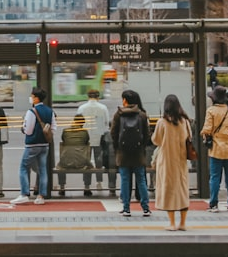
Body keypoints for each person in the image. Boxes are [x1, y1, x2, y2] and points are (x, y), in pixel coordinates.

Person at [152, 94, 192, 231]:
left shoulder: (162, 123)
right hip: (181, 161)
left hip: (167, 161)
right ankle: (183, 223)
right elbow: (189, 137)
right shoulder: (185, 122)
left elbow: (156, 140)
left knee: (169, 190)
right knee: (182, 189)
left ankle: (172, 223)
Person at [11, 87, 56, 205]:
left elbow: (29, 130)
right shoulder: (49, 111)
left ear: (36, 98)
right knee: (42, 169)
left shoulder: (31, 112)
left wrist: (23, 128)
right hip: (44, 144)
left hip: (32, 144)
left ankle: (24, 194)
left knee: (23, 168)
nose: (30, 98)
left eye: (32, 96)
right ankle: (41, 196)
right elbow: (53, 128)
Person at [110, 89, 151, 217]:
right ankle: (145, 208)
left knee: (125, 180)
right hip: (138, 153)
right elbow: (147, 135)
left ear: (125, 100)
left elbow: (113, 133)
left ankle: (126, 208)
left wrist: (117, 147)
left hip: (123, 154)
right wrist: (141, 147)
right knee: (141, 180)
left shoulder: (119, 114)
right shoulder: (142, 115)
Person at [201, 86, 228, 212]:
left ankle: (214, 204)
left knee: (215, 177)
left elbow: (207, 129)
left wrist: (204, 136)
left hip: (216, 148)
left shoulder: (211, 111)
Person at [76, 89, 112, 196]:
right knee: (98, 161)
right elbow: (106, 122)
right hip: (99, 137)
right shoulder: (103, 108)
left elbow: (78, 122)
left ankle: (86, 185)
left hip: (85, 138)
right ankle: (99, 182)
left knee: (86, 163)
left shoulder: (81, 108)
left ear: (88, 96)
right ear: (98, 97)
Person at [56, 114, 92, 196]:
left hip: (66, 161)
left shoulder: (65, 131)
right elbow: (86, 141)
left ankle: (62, 187)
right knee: (89, 166)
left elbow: (63, 140)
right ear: (82, 123)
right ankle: (87, 187)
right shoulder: (84, 132)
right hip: (81, 162)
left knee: (59, 166)